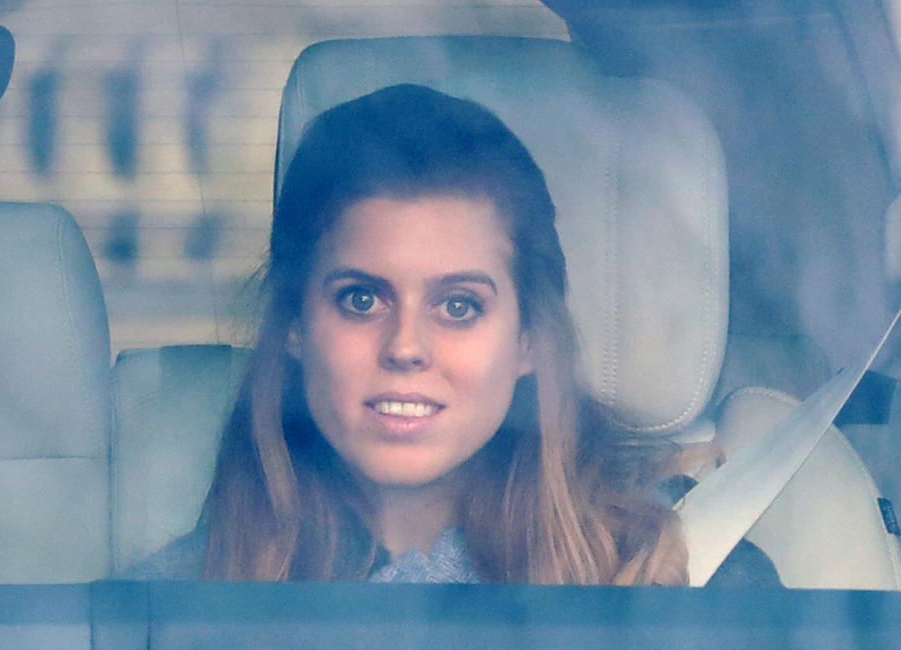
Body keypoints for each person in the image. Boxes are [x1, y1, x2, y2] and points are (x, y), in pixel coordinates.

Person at [129, 83, 778, 586]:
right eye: (361, 299)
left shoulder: (684, 583)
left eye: (460, 306)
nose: (406, 346)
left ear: (527, 337)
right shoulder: (170, 606)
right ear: (294, 325)